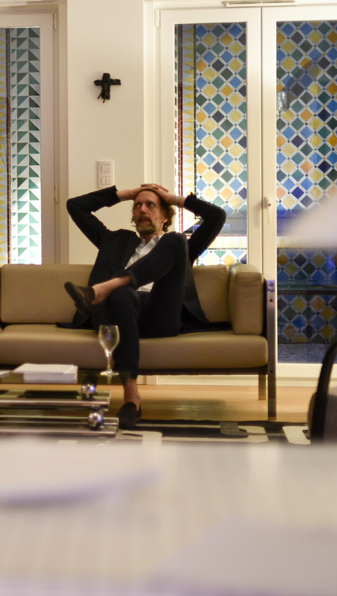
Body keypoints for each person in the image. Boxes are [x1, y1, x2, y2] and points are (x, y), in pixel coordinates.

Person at [63, 183, 227, 428]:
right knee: (123, 294)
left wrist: (174, 199)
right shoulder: (114, 241)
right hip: (119, 312)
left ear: (164, 216)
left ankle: (106, 287)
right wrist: (128, 194)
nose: (142, 209)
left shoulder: (175, 247)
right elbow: (75, 207)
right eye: (137, 205)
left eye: (151, 205)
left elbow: (217, 216)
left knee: (176, 240)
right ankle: (132, 399)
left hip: (159, 314)